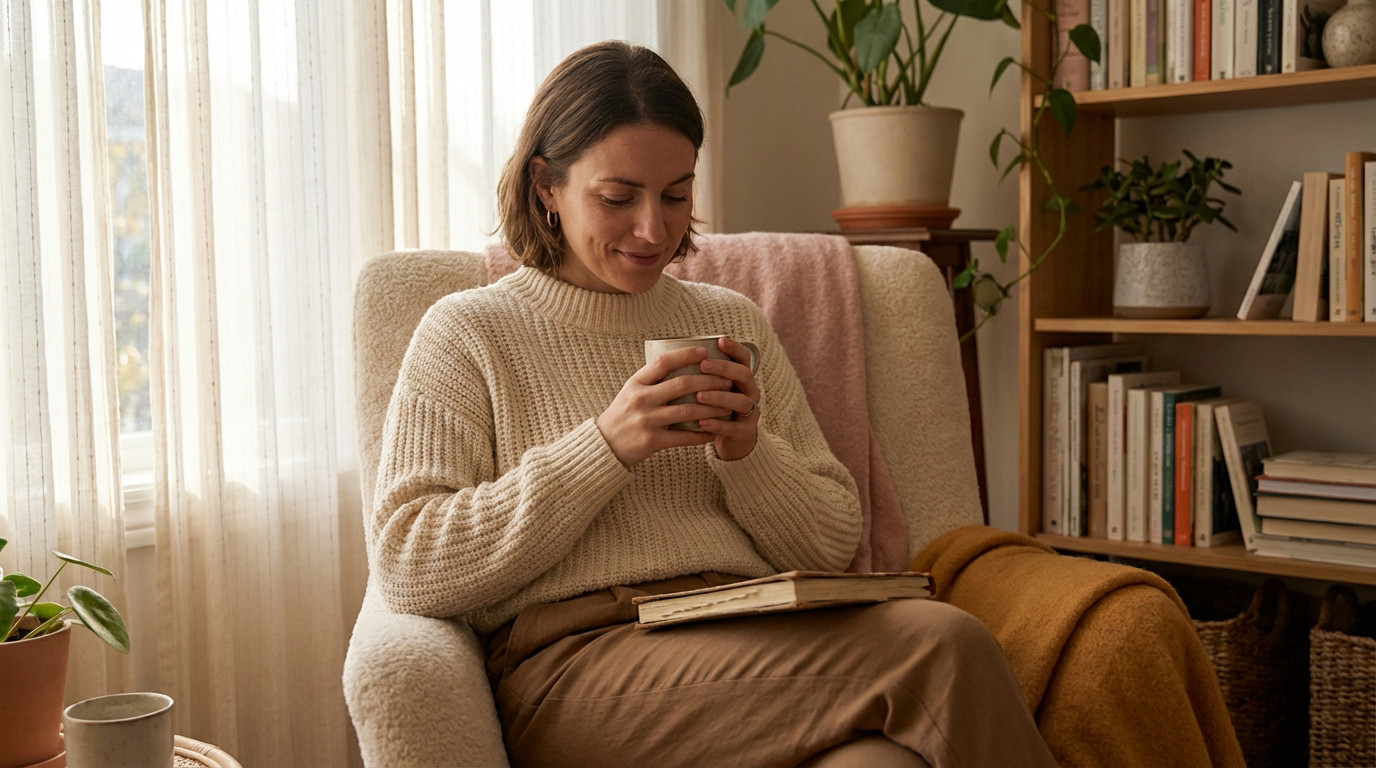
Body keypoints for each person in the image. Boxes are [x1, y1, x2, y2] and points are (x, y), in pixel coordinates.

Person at [368, 40, 1055, 767]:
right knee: (944, 643)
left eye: (675, 195)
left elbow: (829, 542)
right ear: (546, 185)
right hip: (578, 665)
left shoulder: (732, 321)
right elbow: (411, 562)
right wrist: (605, 446)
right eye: (617, 198)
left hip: (752, 630)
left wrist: (749, 454)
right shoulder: (469, 331)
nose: (653, 230)